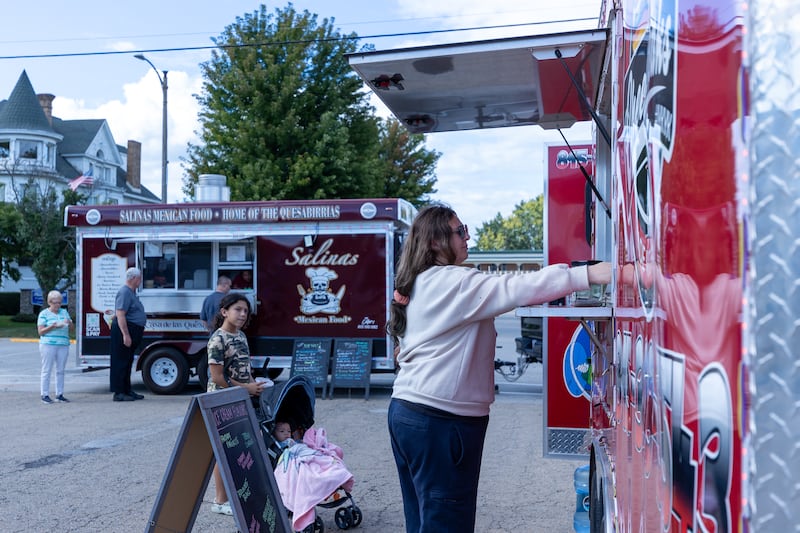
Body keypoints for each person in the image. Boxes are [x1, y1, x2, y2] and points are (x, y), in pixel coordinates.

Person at [386, 204, 612, 533]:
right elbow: (518, 287)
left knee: (422, 520)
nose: (467, 237)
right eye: (460, 231)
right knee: (446, 523)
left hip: (408, 414)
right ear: (436, 242)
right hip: (442, 422)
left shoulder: (421, 282)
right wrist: (588, 274)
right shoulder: (454, 281)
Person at [206, 292, 267, 516]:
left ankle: (239, 496)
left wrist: (255, 385)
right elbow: (217, 378)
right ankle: (220, 501)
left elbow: (244, 370)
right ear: (224, 312)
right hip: (220, 401)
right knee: (223, 451)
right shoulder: (217, 339)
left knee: (241, 449)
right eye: (237, 309)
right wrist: (246, 389)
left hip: (240, 398)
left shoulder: (241, 336)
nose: (242, 314)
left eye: (245, 311)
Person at [109, 267, 146, 402]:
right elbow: (120, 314)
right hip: (124, 330)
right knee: (120, 362)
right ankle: (119, 393)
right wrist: (126, 335)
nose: (140, 281)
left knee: (128, 361)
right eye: (139, 278)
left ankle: (127, 390)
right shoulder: (124, 292)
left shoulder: (131, 293)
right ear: (133, 278)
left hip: (132, 329)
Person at [37, 290, 73, 404]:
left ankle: (60, 394)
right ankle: (45, 394)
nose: (58, 305)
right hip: (48, 343)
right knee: (47, 369)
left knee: (61, 370)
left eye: (59, 302)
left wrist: (69, 323)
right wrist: (52, 327)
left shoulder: (64, 312)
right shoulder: (44, 314)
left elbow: (72, 329)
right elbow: (41, 332)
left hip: (63, 343)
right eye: (55, 302)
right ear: (50, 302)